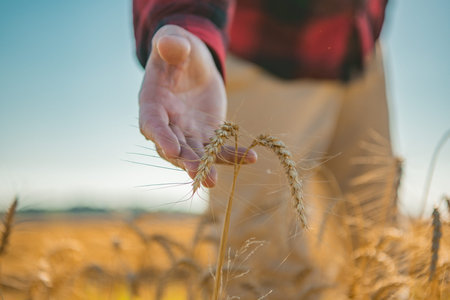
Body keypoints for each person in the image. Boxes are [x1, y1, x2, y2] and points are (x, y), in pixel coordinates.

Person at [133, 0, 394, 298]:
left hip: (362, 50)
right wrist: (190, 18)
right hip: (265, 49)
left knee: (381, 245)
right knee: (257, 267)